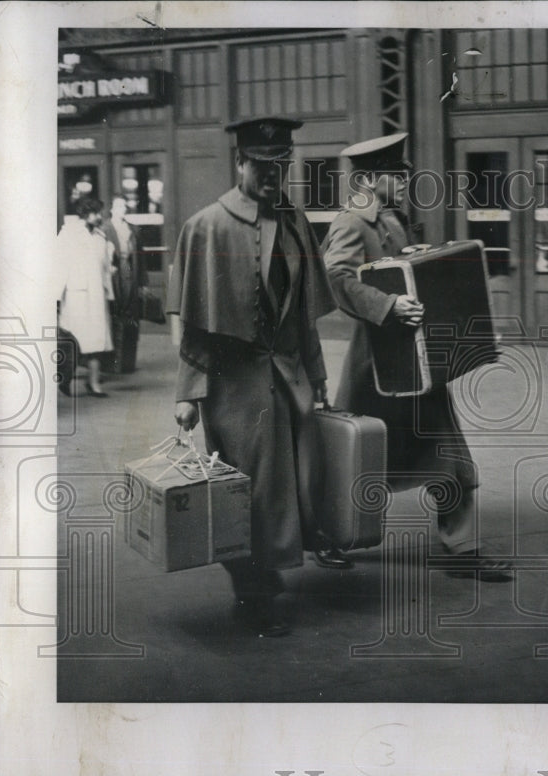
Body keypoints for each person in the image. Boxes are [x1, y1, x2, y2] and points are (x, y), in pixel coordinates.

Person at [167, 116, 339, 636]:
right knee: (250, 494)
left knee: (294, 487)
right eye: (262, 166)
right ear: (239, 162)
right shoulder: (205, 226)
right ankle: (253, 595)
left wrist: (319, 378)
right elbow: (196, 327)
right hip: (233, 390)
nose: (272, 176)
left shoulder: (295, 222)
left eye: (280, 166)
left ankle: (266, 576)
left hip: (288, 380)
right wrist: (187, 397)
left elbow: (304, 313)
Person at [321, 132, 511, 582]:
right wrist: (387, 307)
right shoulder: (351, 223)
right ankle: (328, 536)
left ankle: (462, 548)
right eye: (396, 174)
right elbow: (338, 278)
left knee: (448, 453)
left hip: (416, 364)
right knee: (360, 457)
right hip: (378, 367)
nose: (405, 181)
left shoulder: (392, 218)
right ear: (368, 179)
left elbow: (399, 272)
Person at [55, 196, 115, 397]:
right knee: (74, 340)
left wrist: (109, 293)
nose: (100, 217)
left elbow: (105, 268)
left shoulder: (100, 236)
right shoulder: (68, 234)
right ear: (86, 213)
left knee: (97, 342)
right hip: (76, 296)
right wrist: (55, 295)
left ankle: (94, 383)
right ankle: (64, 380)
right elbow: (59, 265)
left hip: (97, 295)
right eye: (96, 213)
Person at [103, 195, 149, 374]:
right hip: (113, 275)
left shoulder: (133, 230)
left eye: (124, 206)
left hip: (131, 271)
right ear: (112, 209)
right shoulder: (105, 229)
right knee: (114, 315)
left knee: (132, 317)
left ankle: (128, 363)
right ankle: (112, 364)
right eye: (119, 206)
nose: (123, 209)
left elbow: (141, 258)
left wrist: (143, 282)